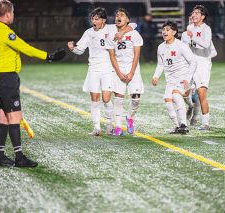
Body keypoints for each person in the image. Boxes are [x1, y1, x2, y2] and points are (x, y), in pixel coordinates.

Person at [0, 0, 65, 167]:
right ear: (7, 14)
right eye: (12, 13)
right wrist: (48, 56)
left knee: (3, 117)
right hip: (6, 78)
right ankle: (19, 157)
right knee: (15, 116)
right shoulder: (4, 31)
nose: (13, 15)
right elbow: (24, 47)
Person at [68, 7, 136, 136]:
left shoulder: (111, 28)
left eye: (97, 19)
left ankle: (110, 125)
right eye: (92, 19)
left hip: (108, 69)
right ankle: (97, 128)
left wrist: (122, 32)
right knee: (94, 99)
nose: (94, 21)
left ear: (103, 20)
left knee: (106, 99)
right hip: (93, 69)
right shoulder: (88, 32)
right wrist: (72, 48)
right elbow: (80, 50)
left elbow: (133, 24)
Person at [152, 20, 197, 134]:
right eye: (163, 30)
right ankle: (178, 126)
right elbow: (160, 64)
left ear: (174, 32)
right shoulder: (161, 47)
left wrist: (188, 78)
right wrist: (156, 76)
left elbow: (193, 62)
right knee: (168, 101)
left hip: (183, 77)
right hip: (170, 80)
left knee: (176, 96)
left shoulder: (181, 46)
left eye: (168, 30)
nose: (164, 32)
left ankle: (184, 125)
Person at [106, 8, 144, 136]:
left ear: (127, 19)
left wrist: (132, 72)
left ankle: (129, 117)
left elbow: (137, 54)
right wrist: (118, 72)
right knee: (118, 98)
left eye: (122, 15)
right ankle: (118, 127)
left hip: (133, 69)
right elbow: (112, 56)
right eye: (117, 15)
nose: (118, 17)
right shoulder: (111, 33)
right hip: (118, 69)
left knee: (136, 98)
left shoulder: (135, 34)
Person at [181, 5, 217, 130]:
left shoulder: (206, 29)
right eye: (193, 12)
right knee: (184, 91)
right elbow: (185, 45)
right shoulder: (189, 27)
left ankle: (205, 123)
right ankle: (191, 106)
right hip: (191, 63)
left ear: (203, 17)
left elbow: (206, 44)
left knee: (201, 93)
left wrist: (192, 36)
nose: (194, 14)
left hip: (203, 64)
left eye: (197, 13)